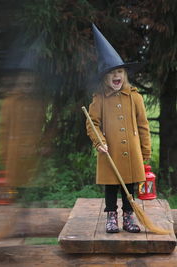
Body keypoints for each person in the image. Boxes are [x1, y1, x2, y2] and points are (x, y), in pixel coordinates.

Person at [86, 24, 151, 233]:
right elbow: (92, 122)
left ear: (125, 74)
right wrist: (99, 142)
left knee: (130, 185)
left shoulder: (135, 97)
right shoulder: (99, 99)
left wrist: (145, 151)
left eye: (120, 72)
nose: (117, 76)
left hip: (132, 151)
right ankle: (111, 217)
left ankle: (129, 217)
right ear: (105, 77)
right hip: (110, 150)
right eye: (112, 73)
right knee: (112, 186)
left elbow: (143, 125)